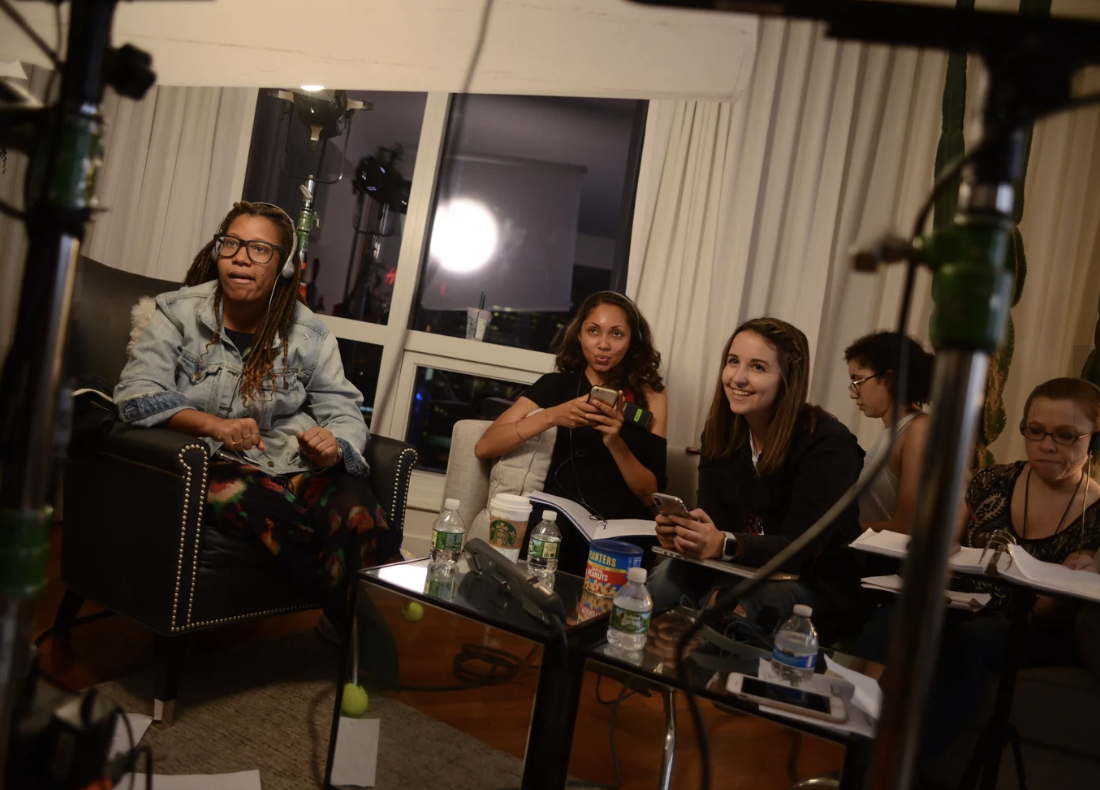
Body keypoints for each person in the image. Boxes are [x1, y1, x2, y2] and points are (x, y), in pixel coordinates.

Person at [114, 201, 400, 635]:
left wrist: (333, 446)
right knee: (272, 509)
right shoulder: (175, 314)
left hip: (292, 460)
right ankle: (361, 627)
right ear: (217, 252)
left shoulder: (310, 335)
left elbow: (343, 408)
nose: (242, 256)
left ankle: (344, 623)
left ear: (285, 266)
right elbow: (135, 395)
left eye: (260, 249)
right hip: (207, 461)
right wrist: (214, 426)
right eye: (231, 243)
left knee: (359, 512)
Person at [854, 377, 1100, 769]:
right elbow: (943, 544)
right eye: (1035, 431)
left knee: (973, 640)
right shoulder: (992, 480)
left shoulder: (1097, 514)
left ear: (1094, 441)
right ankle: (856, 748)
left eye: (1066, 435)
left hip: (1031, 625)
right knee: (895, 617)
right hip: (962, 603)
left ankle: (901, 769)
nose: (1047, 445)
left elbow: (1057, 609)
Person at [646, 317, 865, 636]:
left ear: (788, 379)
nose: (738, 378)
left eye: (758, 367)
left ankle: (705, 682)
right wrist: (687, 536)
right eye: (733, 362)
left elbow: (800, 551)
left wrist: (724, 543)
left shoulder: (828, 444)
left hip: (812, 582)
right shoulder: (721, 434)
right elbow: (715, 520)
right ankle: (644, 671)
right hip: (738, 568)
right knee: (666, 578)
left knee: (731, 603)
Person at [474, 291, 668, 570]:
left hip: (623, 524)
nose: (603, 345)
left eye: (616, 334)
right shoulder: (555, 387)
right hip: (559, 520)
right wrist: (552, 415)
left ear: (632, 341)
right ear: (579, 336)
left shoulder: (652, 397)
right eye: (593, 331)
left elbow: (650, 494)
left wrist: (615, 441)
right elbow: (485, 446)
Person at [844, 331, 934, 533]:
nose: (852, 393)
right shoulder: (891, 433)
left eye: (858, 382)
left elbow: (909, 526)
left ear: (889, 379)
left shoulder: (918, 429)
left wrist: (837, 533)